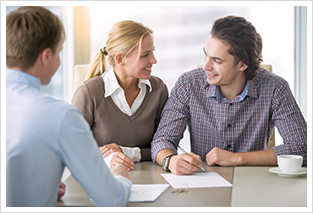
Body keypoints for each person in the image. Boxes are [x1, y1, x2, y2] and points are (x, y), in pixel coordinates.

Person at [6, 6, 132, 207]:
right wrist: (121, 176)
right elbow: (112, 200)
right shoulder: (60, 116)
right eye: (60, 51)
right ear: (46, 56)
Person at [151, 15, 307, 175]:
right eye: (206, 55)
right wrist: (169, 160)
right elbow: (162, 139)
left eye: (217, 61)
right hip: (203, 182)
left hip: (254, 183)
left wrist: (237, 158)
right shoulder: (188, 84)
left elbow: (302, 147)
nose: (205, 66)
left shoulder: (275, 88)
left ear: (243, 64)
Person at [71, 20, 168, 171]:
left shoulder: (158, 90)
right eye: (145, 55)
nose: (154, 60)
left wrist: (125, 152)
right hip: (100, 177)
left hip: (150, 178)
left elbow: (163, 146)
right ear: (120, 59)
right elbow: (72, 149)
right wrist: (107, 157)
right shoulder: (89, 93)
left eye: (153, 51)